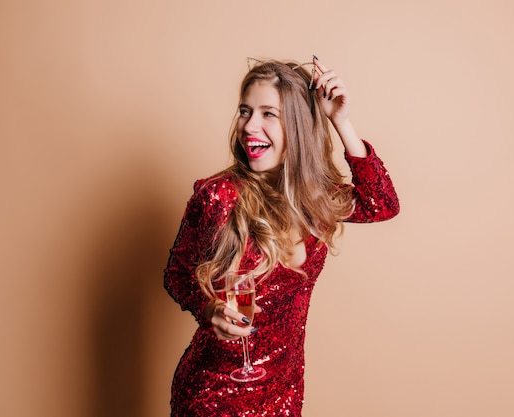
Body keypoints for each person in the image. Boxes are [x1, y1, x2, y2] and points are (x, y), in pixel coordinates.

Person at [164, 56, 400, 416]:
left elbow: (382, 203)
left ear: (298, 125)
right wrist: (207, 307)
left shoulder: (316, 200)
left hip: (284, 391)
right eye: (245, 111)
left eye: (267, 114)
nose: (249, 126)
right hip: (215, 393)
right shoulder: (219, 195)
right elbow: (176, 274)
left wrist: (340, 121)